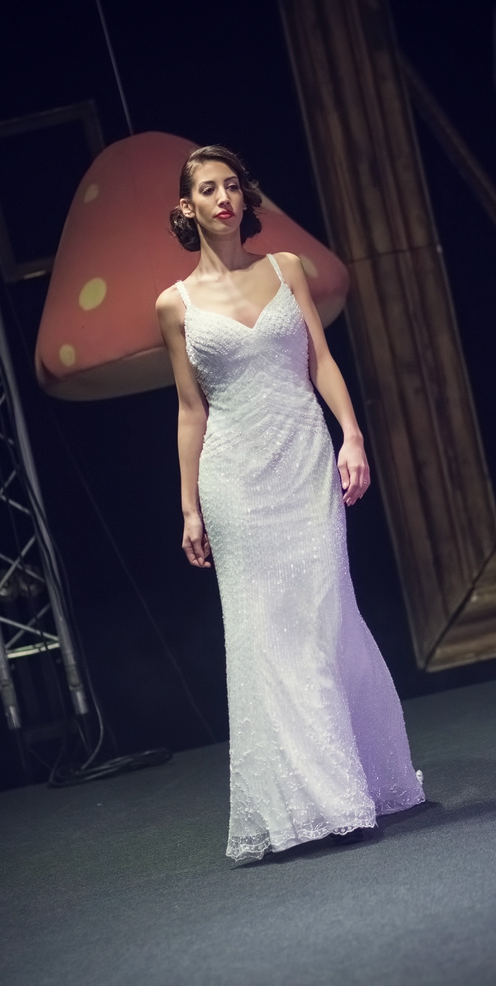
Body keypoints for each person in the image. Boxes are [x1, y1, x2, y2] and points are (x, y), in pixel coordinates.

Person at [156, 145, 424, 863]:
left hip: (304, 460)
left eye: (232, 186)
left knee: (322, 615)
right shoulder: (174, 305)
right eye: (207, 189)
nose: (223, 198)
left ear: (245, 198)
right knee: (263, 634)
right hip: (234, 480)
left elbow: (321, 360)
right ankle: (315, 802)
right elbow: (189, 410)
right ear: (186, 207)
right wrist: (189, 507)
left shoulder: (286, 269)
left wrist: (352, 435)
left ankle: (352, 781)